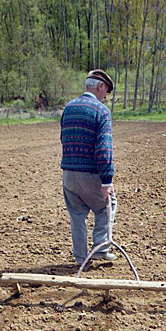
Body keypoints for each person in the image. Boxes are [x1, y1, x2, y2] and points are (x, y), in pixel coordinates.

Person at [60, 69, 117, 267]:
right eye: (105, 92)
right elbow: (104, 149)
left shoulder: (68, 108)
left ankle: (81, 258)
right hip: (89, 174)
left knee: (77, 215)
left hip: (68, 174)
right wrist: (106, 181)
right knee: (106, 207)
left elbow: (63, 139)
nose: (105, 97)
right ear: (100, 86)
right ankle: (101, 250)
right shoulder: (101, 111)